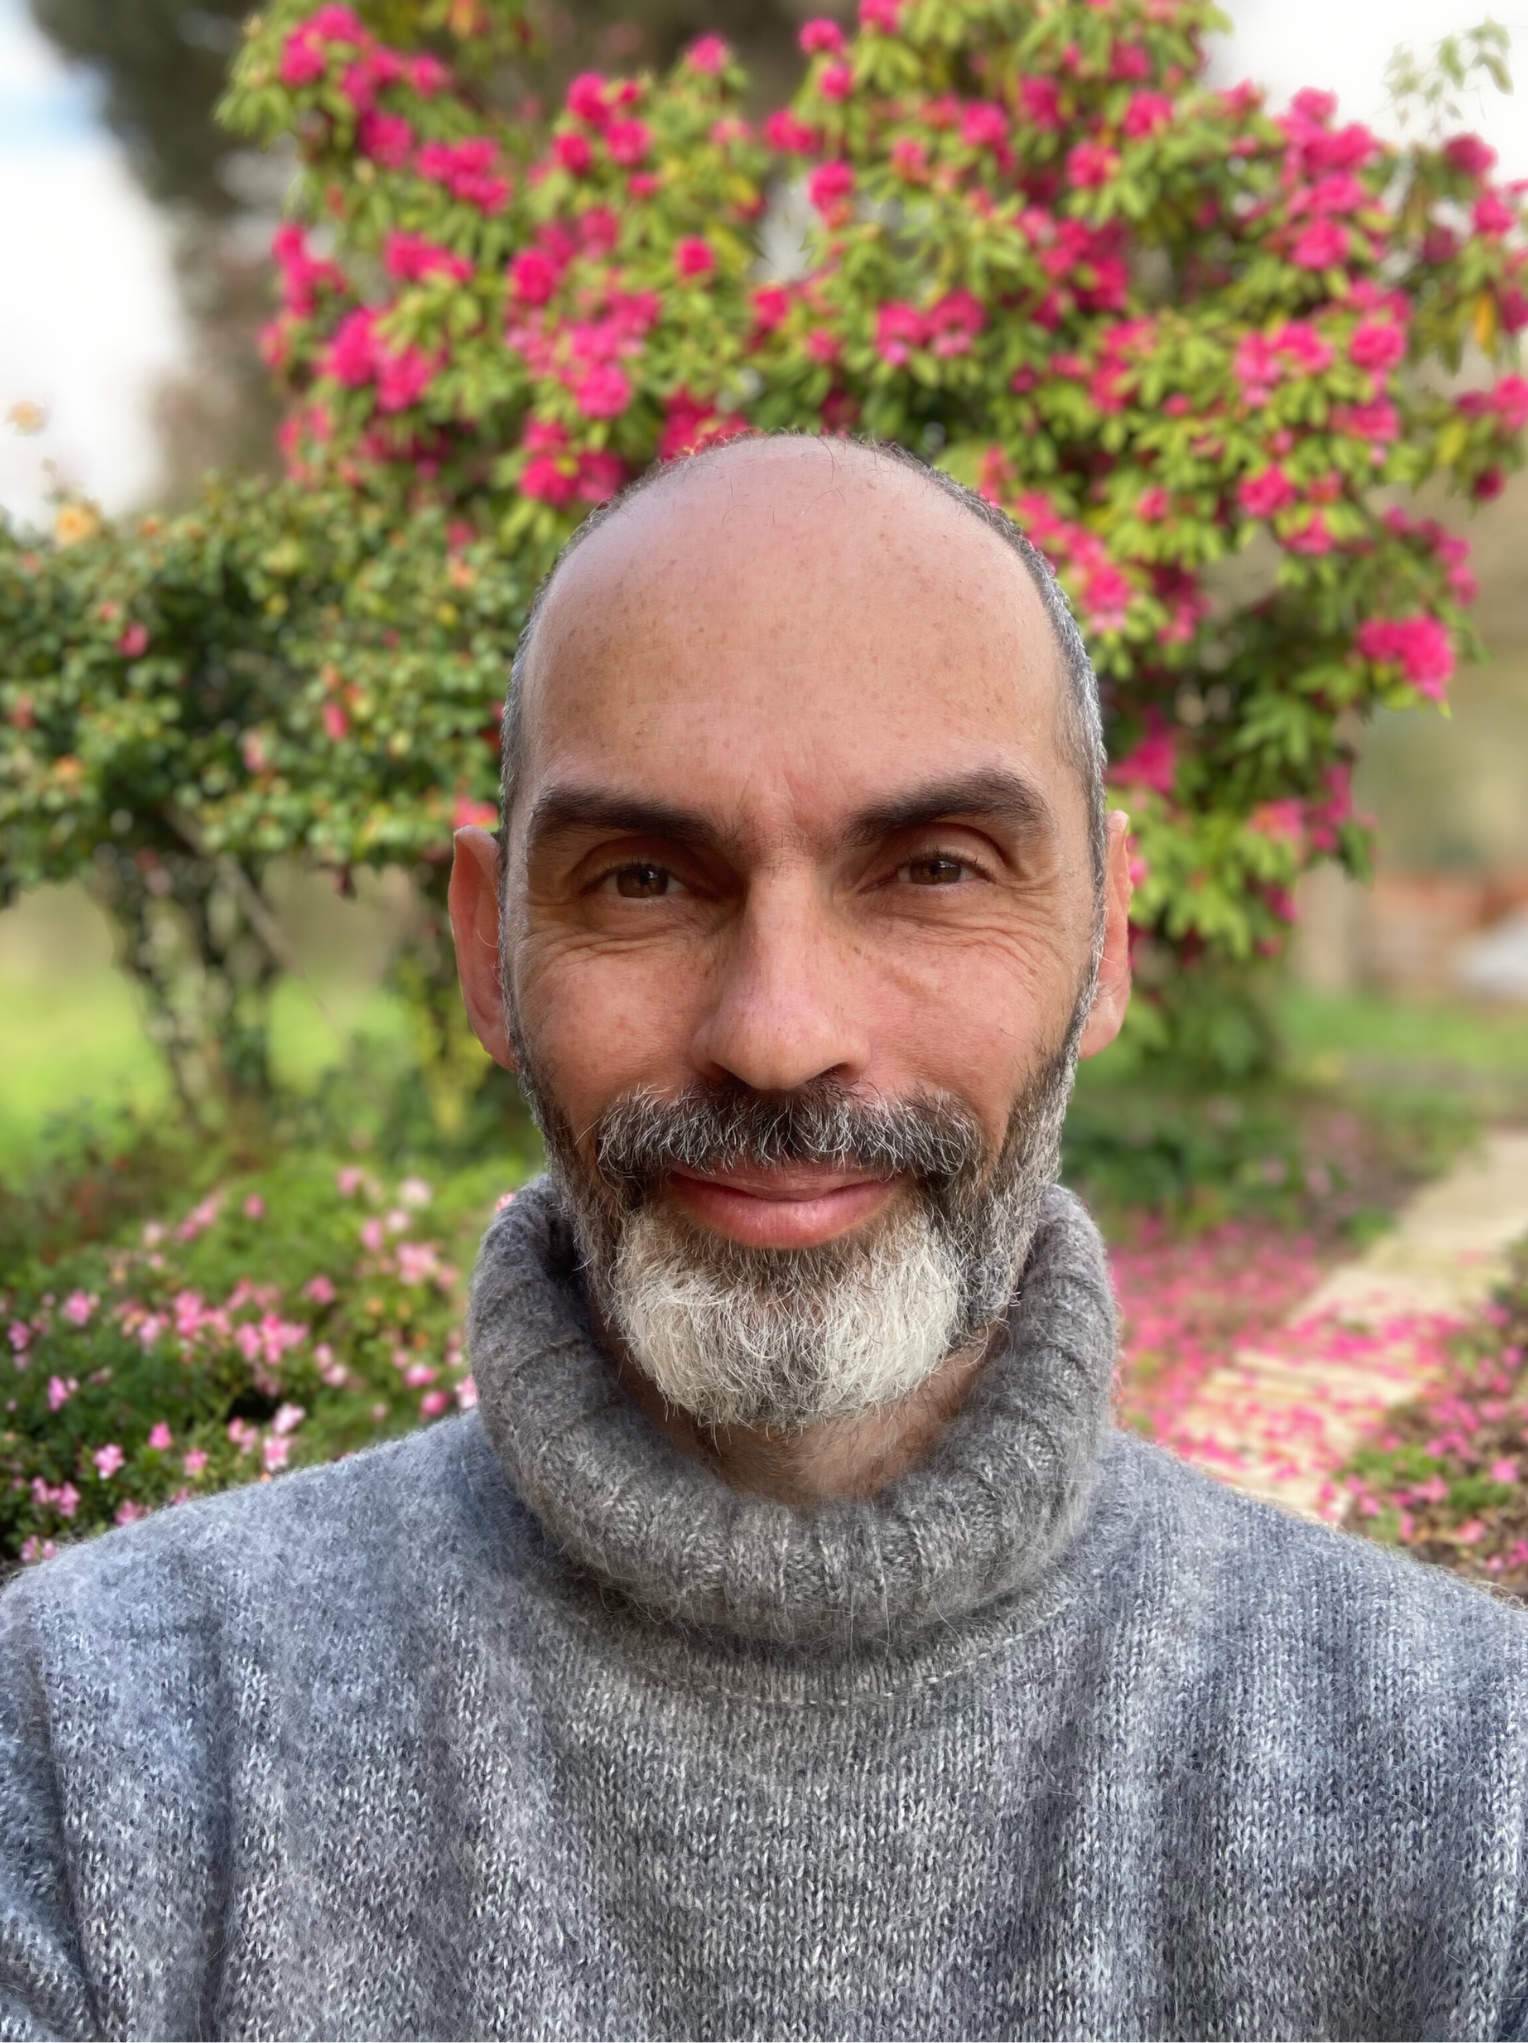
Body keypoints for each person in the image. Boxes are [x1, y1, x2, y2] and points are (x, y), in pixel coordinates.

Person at [3, 434, 1528, 2043]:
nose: (779, 1033)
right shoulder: (88, 1738)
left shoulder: (1470, 1791)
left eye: (935, 870)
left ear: (1107, 938)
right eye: (647, 879)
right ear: (486, 946)